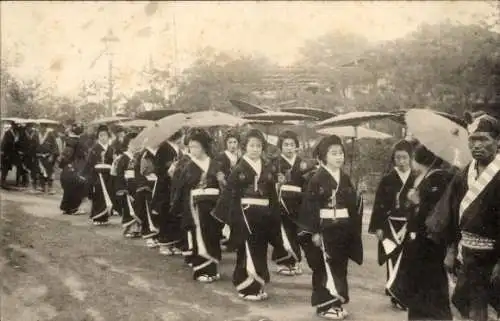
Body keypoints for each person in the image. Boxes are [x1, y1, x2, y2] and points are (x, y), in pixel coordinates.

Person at [434, 113, 500, 321]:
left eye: (484, 139)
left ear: (498, 142)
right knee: (470, 307)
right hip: (468, 254)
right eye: (473, 140)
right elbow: (450, 215)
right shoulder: (463, 175)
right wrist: (451, 250)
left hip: (495, 256)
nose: (477, 145)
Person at [298, 135, 363, 320]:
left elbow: (351, 206)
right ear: (324, 156)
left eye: (341, 153)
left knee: (340, 266)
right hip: (324, 229)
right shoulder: (316, 179)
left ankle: (336, 302)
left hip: (342, 228)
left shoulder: (345, 177)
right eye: (334, 153)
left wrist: (357, 197)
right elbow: (310, 208)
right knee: (324, 266)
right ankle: (324, 305)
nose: (339, 157)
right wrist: (314, 232)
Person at [213, 128, 281, 301]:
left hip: (263, 215)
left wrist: (274, 214)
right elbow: (230, 193)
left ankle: (257, 286)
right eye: (252, 145)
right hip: (245, 214)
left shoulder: (266, 167)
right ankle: (245, 287)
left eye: (259, 146)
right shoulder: (239, 169)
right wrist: (230, 219)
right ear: (245, 147)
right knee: (247, 250)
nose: (255, 149)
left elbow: (272, 193)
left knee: (260, 250)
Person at [393, 144, 453, 320]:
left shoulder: (440, 179)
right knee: (419, 282)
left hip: (429, 240)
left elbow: (438, 211)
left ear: (420, 160)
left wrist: (418, 202)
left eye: (413, 158)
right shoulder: (425, 178)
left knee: (431, 281)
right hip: (418, 239)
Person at [368, 140, 416, 310]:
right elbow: (379, 204)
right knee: (393, 257)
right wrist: (377, 227)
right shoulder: (388, 179)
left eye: (404, 158)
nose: (401, 161)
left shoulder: (416, 177)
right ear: (394, 159)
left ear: (411, 158)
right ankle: (396, 293)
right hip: (390, 224)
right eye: (398, 158)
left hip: (410, 224)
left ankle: (403, 292)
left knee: (408, 258)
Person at [172, 128, 224, 282]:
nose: (192, 150)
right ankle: (202, 270)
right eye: (191, 146)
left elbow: (224, 187)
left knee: (213, 237)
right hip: (195, 207)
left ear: (204, 147)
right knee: (199, 237)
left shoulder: (216, 164)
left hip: (213, 206)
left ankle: (212, 269)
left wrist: (222, 181)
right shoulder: (187, 166)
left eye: (196, 146)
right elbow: (181, 190)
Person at [271, 130, 310, 276]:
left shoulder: (303, 163)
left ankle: (293, 262)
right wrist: (277, 184)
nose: (289, 147)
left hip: (298, 201)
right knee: (283, 232)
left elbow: (307, 183)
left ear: (296, 146)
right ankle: (282, 262)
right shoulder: (275, 163)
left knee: (295, 232)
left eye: (292, 144)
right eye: (285, 144)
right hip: (281, 201)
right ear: (281, 146)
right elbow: (268, 182)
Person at [153, 130, 185, 256]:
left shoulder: (179, 149)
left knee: (175, 214)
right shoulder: (163, 148)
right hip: (165, 186)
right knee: (165, 214)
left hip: (175, 186)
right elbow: (158, 168)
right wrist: (170, 168)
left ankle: (175, 242)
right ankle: (164, 243)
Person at [214, 129, 241, 250]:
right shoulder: (221, 156)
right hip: (224, 188)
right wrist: (226, 184)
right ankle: (220, 238)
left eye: (235, 142)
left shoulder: (241, 156)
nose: (233, 145)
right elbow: (219, 174)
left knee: (236, 215)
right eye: (230, 142)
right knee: (224, 214)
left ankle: (233, 240)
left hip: (238, 190)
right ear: (226, 144)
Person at [84, 125, 114, 225]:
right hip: (98, 175)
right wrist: (91, 176)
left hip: (108, 175)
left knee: (108, 195)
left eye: (105, 135)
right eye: (101, 135)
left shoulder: (111, 148)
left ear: (108, 136)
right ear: (98, 137)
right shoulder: (94, 148)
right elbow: (90, 163)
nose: (103, 137)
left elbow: (114, 162)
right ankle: (97, 217)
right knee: (99, 195)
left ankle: (105, 217)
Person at [59, 123, 88, 215]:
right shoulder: (75, 141)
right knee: (76, 185)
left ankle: (67, 208)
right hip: (75, 166)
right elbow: (68, 155)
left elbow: (65, 156)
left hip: (71, 166)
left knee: (70, 187)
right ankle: (73, 208)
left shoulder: (72, 140)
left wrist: (62, 165)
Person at [36, 124, 59, 194]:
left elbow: (55, 146)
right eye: (40, 127)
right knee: (40, 171)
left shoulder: (50, 135)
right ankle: (41, 186)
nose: (41, 128)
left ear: (45, 128)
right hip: (39, 155)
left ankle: (50, 187)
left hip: (48, 156)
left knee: (49, 171)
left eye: (42, 127)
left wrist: (52, 155)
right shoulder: (37, 135)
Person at [1, 121, 19, 190]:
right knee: (5, 167)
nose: (15, 126)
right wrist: (3, 152)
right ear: (12, 126)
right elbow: (4, 143)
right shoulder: (7, 133)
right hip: (7, 152)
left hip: (14, 152)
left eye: (16, 125)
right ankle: (2, 182)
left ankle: (17, 182)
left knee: (18, 165)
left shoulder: (17, 133)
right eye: (14, 125)